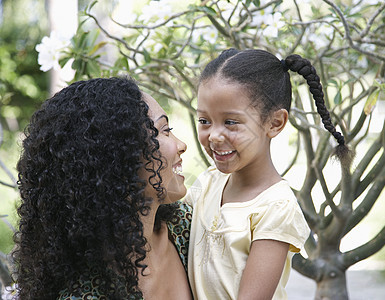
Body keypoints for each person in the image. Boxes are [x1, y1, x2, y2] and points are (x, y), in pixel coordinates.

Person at [185, 48, 352, 299]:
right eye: (204, 121)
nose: (215, 136)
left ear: (274, 123)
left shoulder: (276, 207)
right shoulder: (208, 182)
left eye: (231, 122)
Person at [13, 77, 193, 299]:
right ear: (119, 159)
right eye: (164, 130)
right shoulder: (85, 294)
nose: (181, 145)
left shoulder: (187, 228)